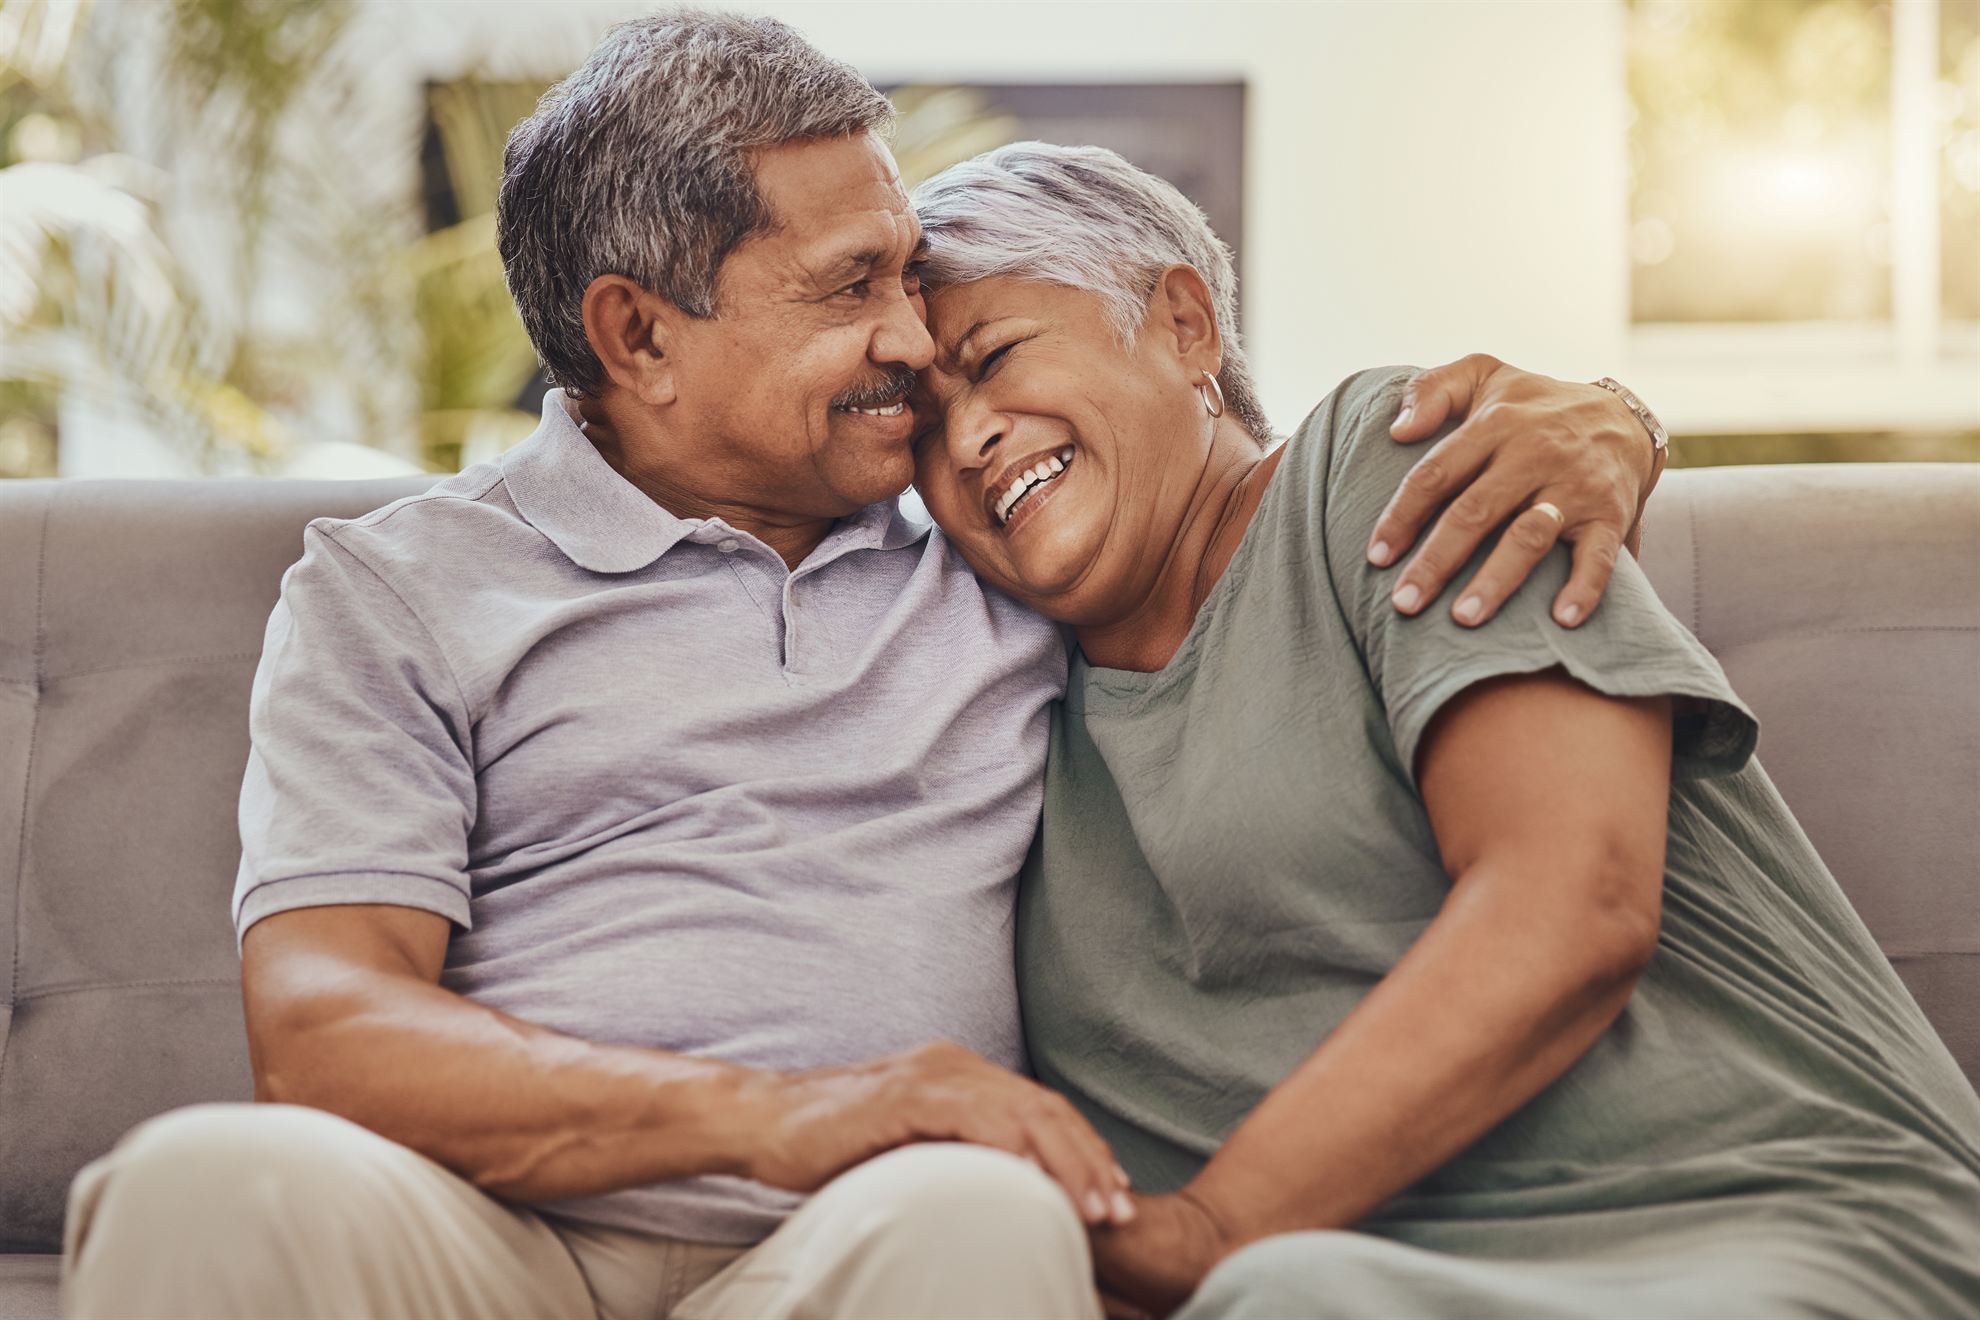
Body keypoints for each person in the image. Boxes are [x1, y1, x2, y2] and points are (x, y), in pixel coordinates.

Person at [60, 13, 1667, 1320]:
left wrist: (1606, 414)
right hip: (496, 1239)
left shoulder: (994, 542)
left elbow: (1220, 474)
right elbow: (327, 1026)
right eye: (851, 288)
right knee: (204, 1180)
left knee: (983, 1218)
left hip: (867, 1242)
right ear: (636, 338)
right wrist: (792, 1113)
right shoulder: (397, 589)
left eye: (904, 267)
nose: (915, 334)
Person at [906, 141, 1980, 1319]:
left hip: (1762, 1217)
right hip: (1337, 1284)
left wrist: (1210, 1230)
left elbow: (1573, 901)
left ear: (1182, 325)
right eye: (923, 421)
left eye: (994, 358)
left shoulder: (1388, 464)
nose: (964, 441)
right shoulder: (998, 712)